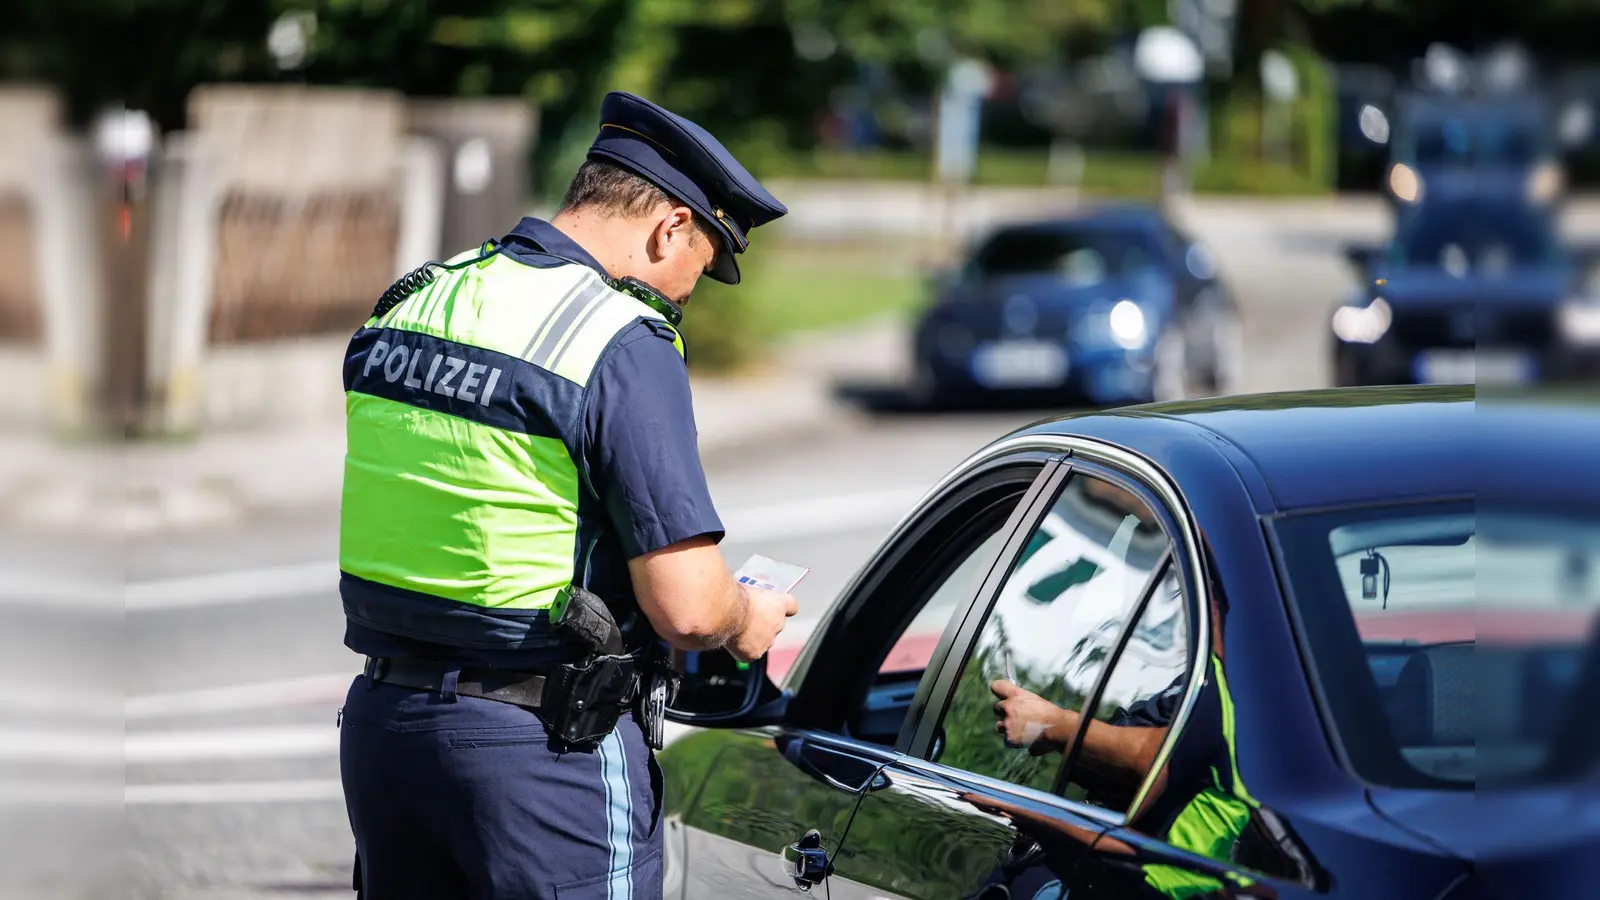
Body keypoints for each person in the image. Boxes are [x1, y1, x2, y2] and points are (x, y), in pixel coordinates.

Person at [336, 90, 799, 899]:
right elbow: (688, 608)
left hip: (386, 734)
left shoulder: (416, 299)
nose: (690, 292)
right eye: (704, 264)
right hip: (542, 754)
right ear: (671, 227)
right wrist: (744, 617)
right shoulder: (619, 340)